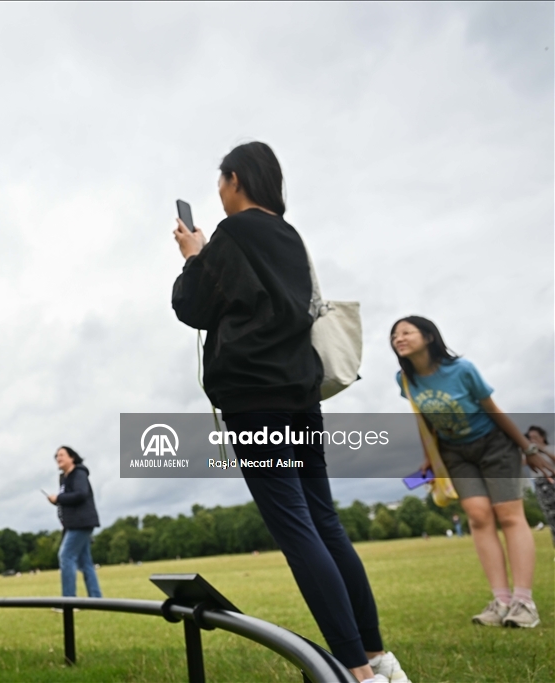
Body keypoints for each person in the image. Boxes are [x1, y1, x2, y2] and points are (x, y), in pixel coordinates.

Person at [171, 141, 407, 683]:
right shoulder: (290, 236)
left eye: (221, 183)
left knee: (295, 527)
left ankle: (354, 671)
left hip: (254, 402)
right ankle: (374, 657)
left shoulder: (233, 234)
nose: (220, 193)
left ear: (235, 179)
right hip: (299, 393)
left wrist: (194, 256)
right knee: (324, 520)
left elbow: (193, 307)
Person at [390, 316, 555, 628]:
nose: (398, 338)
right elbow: (422, 417)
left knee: (508, 514)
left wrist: (527, 448)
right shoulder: (405, 379)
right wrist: (430, 457)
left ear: (428, 336)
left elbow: (493, 409)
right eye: (394, 335)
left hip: (495, 445)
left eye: (406, 332)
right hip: (455, 452)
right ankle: (501, 600)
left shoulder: (461, 370)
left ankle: (524, 602)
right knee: (478, 516)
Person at [47, 446, 102, 599]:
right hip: (72, 524)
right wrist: (58, 502)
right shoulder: (64, 478)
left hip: (82, 522)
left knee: (65, 556)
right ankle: (96, 598)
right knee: (85, 563)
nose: (58, 458)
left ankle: (69, 600)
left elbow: (81, 494)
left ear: (72, 457)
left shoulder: (78, 473)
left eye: (62, 455)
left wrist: (58, 499)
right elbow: (69, 499)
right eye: (57, 456)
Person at [525, 426, 555, 546]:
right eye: (530, 438)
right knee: (551, 518)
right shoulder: (529, 455)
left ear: (542, 437)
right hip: (541, 485)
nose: (533, 440)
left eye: (535, 437)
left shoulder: (550, 448)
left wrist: (542, 449)